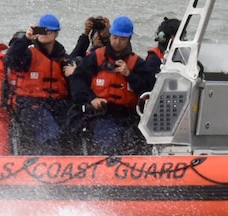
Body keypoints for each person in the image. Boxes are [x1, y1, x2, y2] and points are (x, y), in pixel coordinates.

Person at [69, 15, 160, 155]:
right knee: (109, 140)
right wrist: (92, 99)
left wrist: (129, 75)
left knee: (141, 144)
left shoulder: (137, 63)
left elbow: (150, 89)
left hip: (129, 116)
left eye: (122, 39)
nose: (117, 42)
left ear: (129, 39)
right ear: (110, 35)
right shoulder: (95, 58)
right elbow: (77, 80)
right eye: (115, 37)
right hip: (102, 114)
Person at [4, 13, 72, 154]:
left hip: (58, 106)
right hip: (31, 105)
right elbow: (10, 59)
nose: (44, 34)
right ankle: (46, 169)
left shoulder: (63, 58)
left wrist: (74, 72)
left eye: (48, 31)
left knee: (70, 133)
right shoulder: (28, 54)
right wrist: (26, 39)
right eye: (42, 30)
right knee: (50, 136)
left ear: (56, 34)